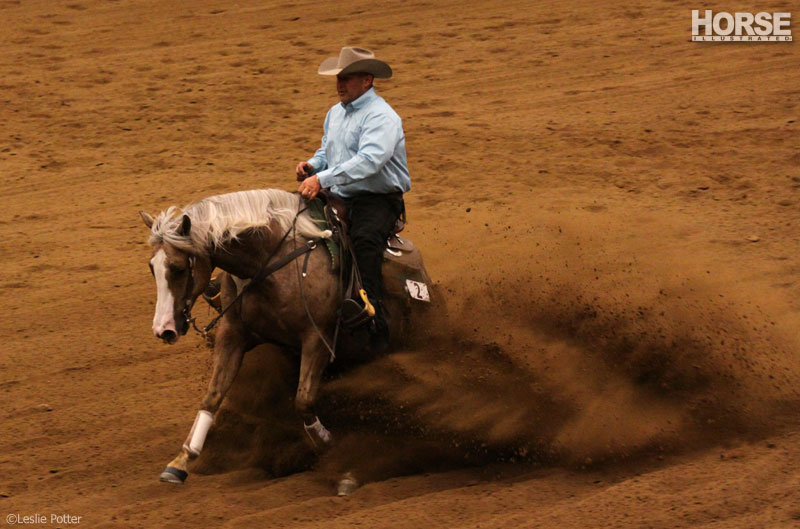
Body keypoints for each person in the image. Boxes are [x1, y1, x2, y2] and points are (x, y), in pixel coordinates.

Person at [296, 47, 411, 349]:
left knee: (364, 240)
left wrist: (321, 178)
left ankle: (372, 314)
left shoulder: (383, 117)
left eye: (347, 78)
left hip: (378, 199)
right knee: (290, 220)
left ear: (367, 80)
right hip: (340, 193)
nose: (340, 84)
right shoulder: (336, 113)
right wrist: (313, 165)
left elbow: (369, 161)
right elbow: (328, 151)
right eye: (338, 78)